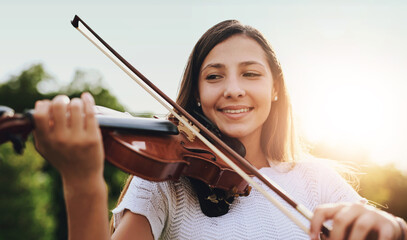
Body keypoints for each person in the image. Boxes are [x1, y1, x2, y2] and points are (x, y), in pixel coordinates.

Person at [32, 20, 406, 240]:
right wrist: (82, 184)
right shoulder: (165, 180)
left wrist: (394, 228)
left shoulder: (316, 180)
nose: (232, 89)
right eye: (214, 76)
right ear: (196, 93)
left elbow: (376, 232)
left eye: (250, 73)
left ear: (275, 88)